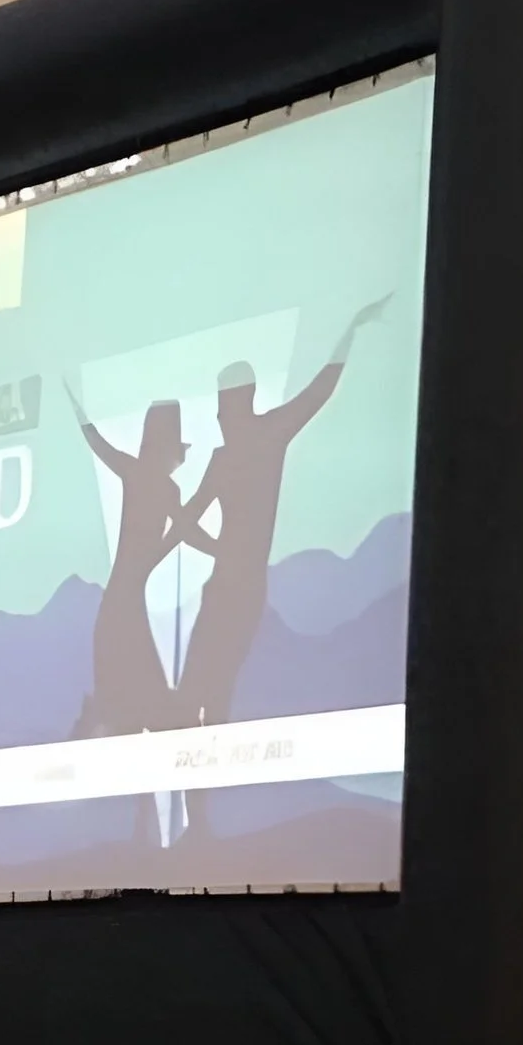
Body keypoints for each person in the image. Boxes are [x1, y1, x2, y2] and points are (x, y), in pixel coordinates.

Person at [169, 293, 391, 728]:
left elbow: (319, 391)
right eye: (218, 403)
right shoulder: (224, 456)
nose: (219, 414)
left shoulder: (269, 434)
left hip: (243, 590)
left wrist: (351, 331)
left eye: (224, 402)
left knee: (217, 692)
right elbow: (185, 520)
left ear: (241, 400)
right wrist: (213, 546)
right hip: (223, 587)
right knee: (196, 690)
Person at [66, 390, 193, 738]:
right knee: (132, 701)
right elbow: (98, 443)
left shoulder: (151, 482)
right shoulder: (149, 480)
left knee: (133, 702)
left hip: (123, 603)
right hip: (122, 606)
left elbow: (181, 536)